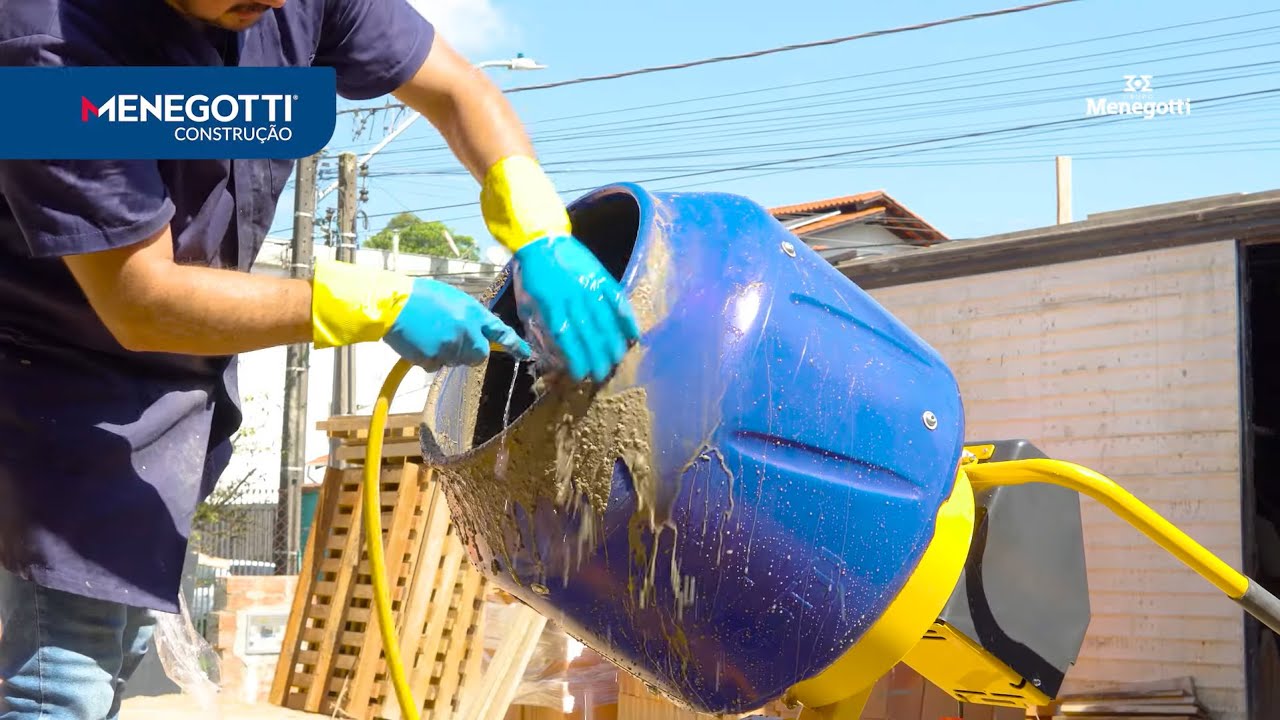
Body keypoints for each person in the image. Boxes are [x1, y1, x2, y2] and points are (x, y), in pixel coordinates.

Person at [0, 0, 640, 717]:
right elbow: (138, 299)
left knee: (111, 651)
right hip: (49, 388)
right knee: (63, 679)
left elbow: (458, 88)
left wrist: (539, 232)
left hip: (172, 382)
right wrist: (374, 305)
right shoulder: (46, 49)